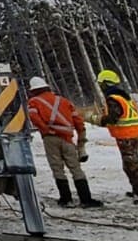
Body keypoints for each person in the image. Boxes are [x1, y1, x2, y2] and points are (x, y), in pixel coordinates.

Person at [25, 76, 101, 207]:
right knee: (76, 168)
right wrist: (81, 135)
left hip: (50, 139)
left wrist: (46, 130)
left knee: (57, 168)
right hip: (67, 138)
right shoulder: (64, 101)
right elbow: (77, 120)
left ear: (33, 90)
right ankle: (86, 199)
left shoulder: (33, 102)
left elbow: (34, 117)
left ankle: (66, 199)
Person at [87, 69, 138, 203]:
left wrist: (96, 119)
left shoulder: (113, 98)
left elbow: (114, 118)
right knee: (131, 166)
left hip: (127, 137)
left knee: (134, 167)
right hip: (132, 134)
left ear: (105, 84)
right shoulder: (125, 97)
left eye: (101, 84)